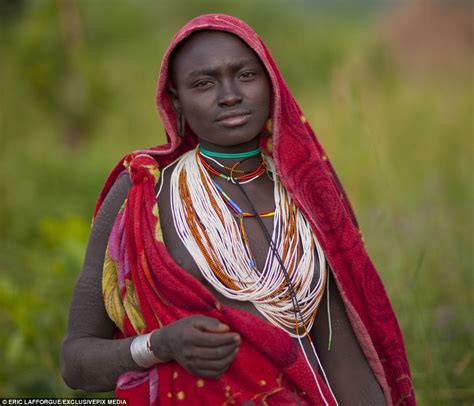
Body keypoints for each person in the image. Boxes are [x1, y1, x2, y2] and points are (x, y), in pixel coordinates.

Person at [60, 14, 415, 405]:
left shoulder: (307, 195)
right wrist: (160, 345)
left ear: (272, 84)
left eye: (246, 76)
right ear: (176, 99)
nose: (229, 95)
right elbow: (76, 362)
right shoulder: (144, 192)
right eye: (203, 83)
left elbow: (342, 357)